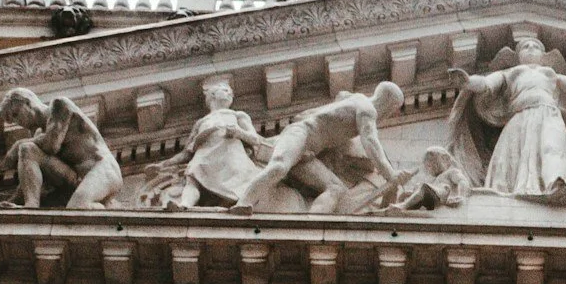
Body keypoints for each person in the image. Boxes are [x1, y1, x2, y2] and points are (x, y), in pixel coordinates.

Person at [445, 32, 566, 206]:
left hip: (549, 116)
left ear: (543, 56)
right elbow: (486, 84)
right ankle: (510, 190)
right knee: (512, 158)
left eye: (536, 47)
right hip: (520, 118)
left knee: (552, 148)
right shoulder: (511, 73)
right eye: (526, 46)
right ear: (518, 56)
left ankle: (556, 182)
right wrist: (467, 81)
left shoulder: (550, 74)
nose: (531, 48)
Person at [236, 82, 403, 214]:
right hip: (300, 135)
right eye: (393, 109)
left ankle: (312, 225)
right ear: (388, 103)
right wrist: (390, 173)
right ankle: (243, 203)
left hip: (308, 154)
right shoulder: (367, 109)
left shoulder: (355, 101)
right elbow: (370, 141)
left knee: (336, 188)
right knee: (279, 167)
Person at [1, 88, 123, 210]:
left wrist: (17, 145)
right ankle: (31, 205)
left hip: (102, 169)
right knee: (28, 150)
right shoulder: (38, 135)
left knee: (77, 207)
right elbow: (28, 184)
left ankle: (107, 208)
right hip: (77, 180)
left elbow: (52, 144)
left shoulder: (59, 105)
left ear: (27, 103)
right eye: (14, 120)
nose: (18, 122)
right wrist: (2, 204)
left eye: (16, 114)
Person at [171, 77, 270, 208]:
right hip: (204, 155)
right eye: (225, 90)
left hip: (230, 154)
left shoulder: (238, 115)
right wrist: (163, 164)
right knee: (192, 179)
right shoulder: (201, 122)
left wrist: (238, 132)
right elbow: (186, 153)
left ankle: (242, 203)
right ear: (212, 94)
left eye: (230, 92)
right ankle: (184, 205)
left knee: (240, 180)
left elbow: (255, 139)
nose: (229, 94)